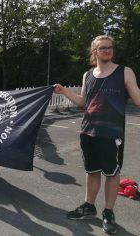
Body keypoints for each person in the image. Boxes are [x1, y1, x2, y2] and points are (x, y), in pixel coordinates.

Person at [54, 35, 140, 234]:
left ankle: (108, 212)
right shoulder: (88, 75)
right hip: (88, 132)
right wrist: (64, 91)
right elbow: (84, 103)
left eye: (110, 47)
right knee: (91, 171)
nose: (108, 50)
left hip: (112, 134)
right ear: (94, 52)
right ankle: (89, 206)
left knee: (111, 173)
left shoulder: (124, 72)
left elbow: (138, 99)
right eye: (103, 48)